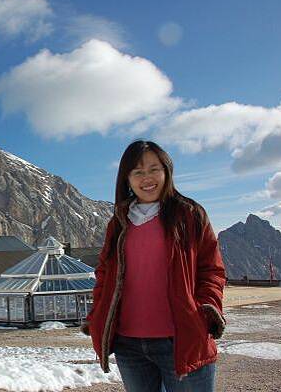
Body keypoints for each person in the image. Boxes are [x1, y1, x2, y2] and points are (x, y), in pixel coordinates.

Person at [81, 140, 226, 392]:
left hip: (182, 340)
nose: (147, 178)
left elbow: (211, 270)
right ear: (127, 178)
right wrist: (97, 315)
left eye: (153, 169)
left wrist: (206, 310)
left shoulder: (190, 215)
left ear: (166, 171)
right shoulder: (119, 222)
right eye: (137, 171)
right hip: (129, 346)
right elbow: (104, 275)